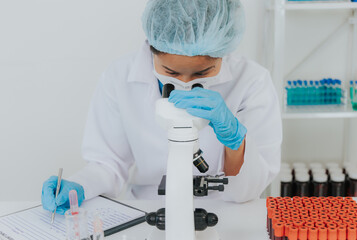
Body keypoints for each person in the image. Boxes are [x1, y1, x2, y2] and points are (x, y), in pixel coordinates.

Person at [42, 0, 282, 215]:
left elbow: (247, 191)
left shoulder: (251, 81)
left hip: (224, 210)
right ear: (151, 47)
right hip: (147, 209)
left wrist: (235, 140)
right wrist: (79, 185)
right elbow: (108, 164)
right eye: (171, 72)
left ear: (223, 53)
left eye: (202, 73)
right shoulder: (118, 77)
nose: (185, 84)